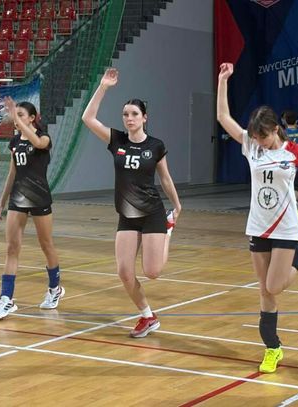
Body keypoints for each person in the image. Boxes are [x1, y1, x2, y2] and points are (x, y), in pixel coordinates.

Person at [217, 63, 298, 373]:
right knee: (264, 290)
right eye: (255, 136)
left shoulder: (294, 151)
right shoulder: (252, 147)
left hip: (288, 227)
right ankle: (272, 348)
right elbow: (223, 117)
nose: (259, 140)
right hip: (258, 227)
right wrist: (223, 81)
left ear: (276, 129)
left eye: (263, 135)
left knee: (274, 286)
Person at [82, 68, 182, 338]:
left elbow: (165, 178)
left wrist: (177, 204)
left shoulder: (156, 145)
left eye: (134, 114)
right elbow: (87, 118)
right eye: (125, 114)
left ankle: (167, 230)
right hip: (127, 214)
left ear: (144, 118)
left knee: (152, 272)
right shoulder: (117, 140)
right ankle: (147, 316)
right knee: (124, 272)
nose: (129, 118)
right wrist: (103, 86)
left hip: (152, 213)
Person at [0, 97, 63, 321]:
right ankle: (6, 299)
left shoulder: (43, 137)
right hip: (18, 199)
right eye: (15, 115)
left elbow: (38, 143)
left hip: (39, 197)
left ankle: (55, 289)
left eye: (21, 115)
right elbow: (13, 173)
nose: (16, 119)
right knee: (12, 248)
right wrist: (2, 202)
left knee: (46, 244)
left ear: (32, 118)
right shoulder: (15, 142)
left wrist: (18, 120)